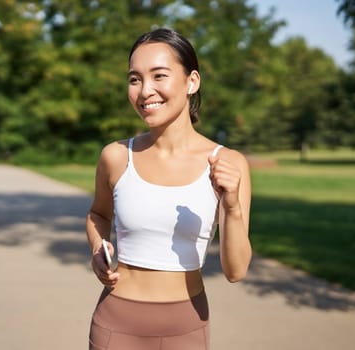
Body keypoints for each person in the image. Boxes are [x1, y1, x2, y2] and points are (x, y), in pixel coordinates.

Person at [86, 28, 253, 350]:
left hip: (187, 326)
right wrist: (98, 248)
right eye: (134, 79)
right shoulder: (117, 156)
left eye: (158, 76)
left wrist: (231, 206)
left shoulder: (228, 163)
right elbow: (97, 214)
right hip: (116, 323)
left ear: (192, 81)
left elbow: (236, 271)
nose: (145, 90)